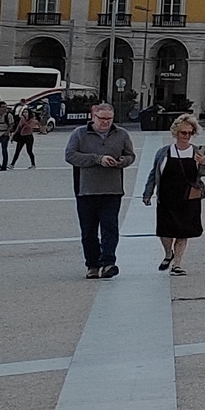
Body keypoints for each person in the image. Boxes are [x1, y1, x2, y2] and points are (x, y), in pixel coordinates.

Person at [63, 102, 137, 278]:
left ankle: (109, 263)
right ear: (93, 116)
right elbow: (70, 155)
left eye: (109, 119)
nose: (105, 122)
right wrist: (97, 159)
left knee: (110, 228)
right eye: (102, 119)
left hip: (112, 190)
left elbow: (131, 156)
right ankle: (92, 265)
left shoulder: (122, 134)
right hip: (86, 191)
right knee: (89, 231)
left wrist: (122, 161)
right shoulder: (79, 134)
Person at [141, 113, 205, 275]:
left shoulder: (196, 152)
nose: (186, 136)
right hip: (166, 197)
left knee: (183, 232)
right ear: (176, 133)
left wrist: (203, 163)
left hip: (188, 197)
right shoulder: (163, 152)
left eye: (190, 133)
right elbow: (154, 173)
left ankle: (177, 264)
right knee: (165, 231)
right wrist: (147, 193)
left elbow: (204, 173)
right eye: (183, 132)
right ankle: (168, 253)